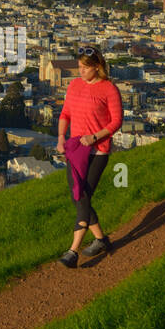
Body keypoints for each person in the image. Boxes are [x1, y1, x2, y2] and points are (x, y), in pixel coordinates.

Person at [56, 47, 124, 267]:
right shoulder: (75, 85)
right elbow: (65, 113)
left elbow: (116, 122)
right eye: (79, 67)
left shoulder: (109, 89)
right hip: (76, 149)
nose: (81, 71)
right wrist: (60, 138)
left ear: (97, 66)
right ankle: (101, 239)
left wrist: (95, 136)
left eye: (85, 67)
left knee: (82, 195)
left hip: (98, 150)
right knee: (78, 195)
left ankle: (73, 251)